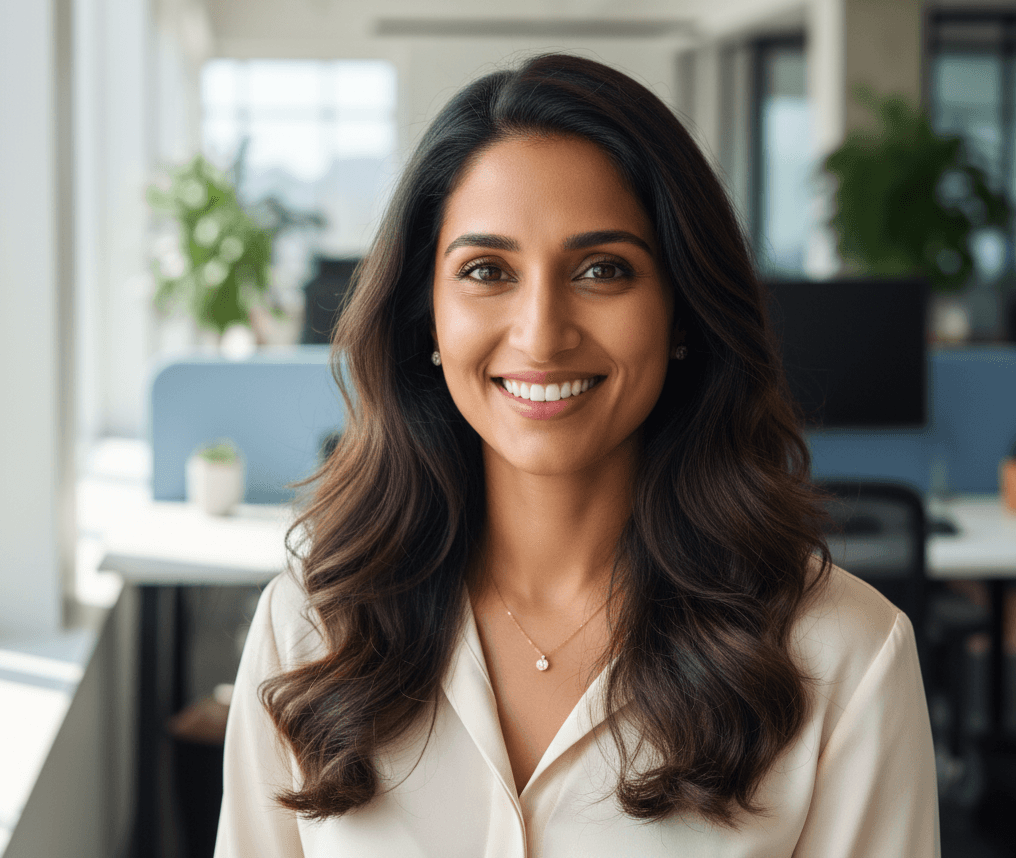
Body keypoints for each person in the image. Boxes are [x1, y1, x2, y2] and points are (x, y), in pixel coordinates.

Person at [214, 54, 940, 857]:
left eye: (603, 270)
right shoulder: (313, 626)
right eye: (487, 271)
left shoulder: (846, 655)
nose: (541, 333)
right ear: (427, 319)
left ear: (683, 313)